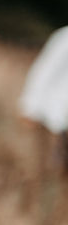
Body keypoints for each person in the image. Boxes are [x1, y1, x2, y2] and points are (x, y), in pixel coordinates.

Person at [19, 25, 68, 173]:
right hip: (58, 121)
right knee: (55, 169)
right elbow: (44, 71)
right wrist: (29, 107)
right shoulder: (65, 38)